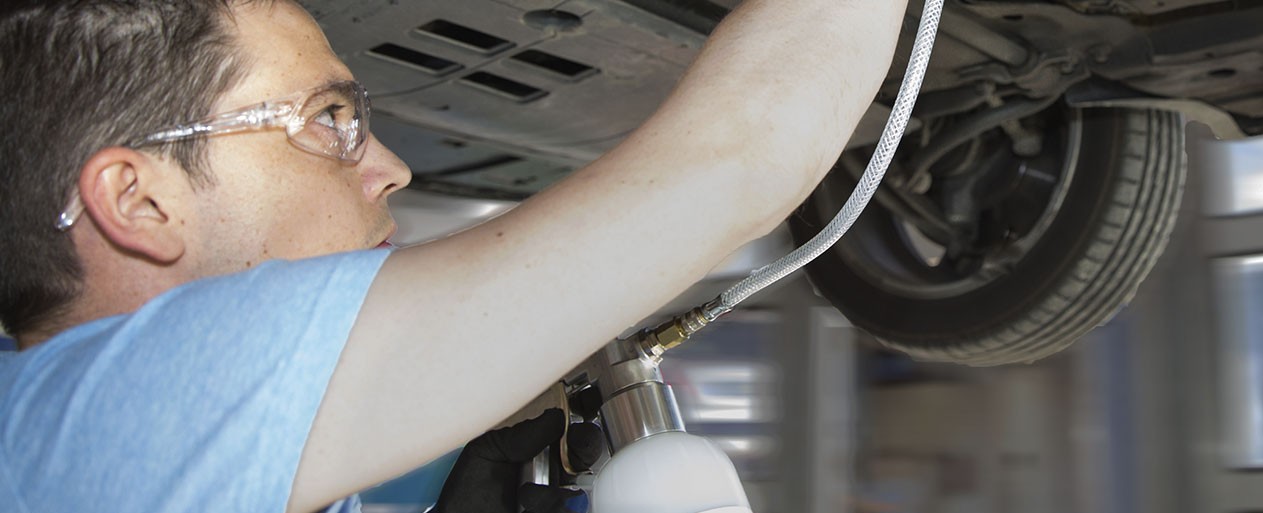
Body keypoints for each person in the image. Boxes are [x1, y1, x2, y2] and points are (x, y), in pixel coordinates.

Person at [0, 0, 908, 510]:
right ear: (138, 201)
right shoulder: (78, 433)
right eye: (328, 119)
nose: (389, 167)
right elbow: (735, 157)